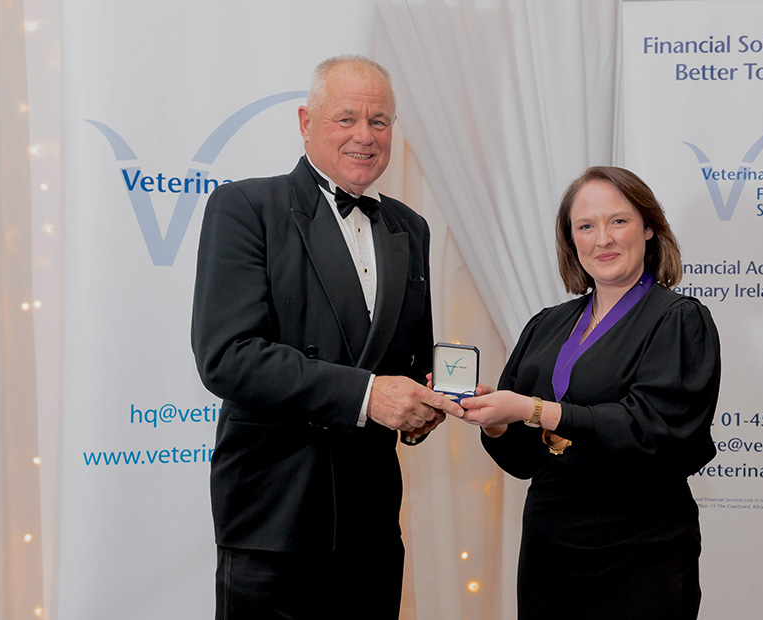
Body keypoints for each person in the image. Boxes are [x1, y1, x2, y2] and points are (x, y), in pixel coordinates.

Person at [191, 54, 462, 620]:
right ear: (305, 122)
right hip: (275, 519)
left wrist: (423, 404)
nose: (364, 136)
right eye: (346, 119)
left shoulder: (410, 228)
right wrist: (369, 397)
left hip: (371, 527)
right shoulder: (245, 207)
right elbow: (228, 357)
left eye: (379, 121)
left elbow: (407, 362)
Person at [457, 166, 721, 619]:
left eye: (618, 221)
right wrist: (500, 422)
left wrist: (537, 409)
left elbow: (653, 432)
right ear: (571, 241)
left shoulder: (678, 320)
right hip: (549, 555)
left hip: (640, 554)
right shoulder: (546, 325)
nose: (604, 239)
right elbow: (523, 462)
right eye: (586, 226)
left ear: (650, 227)